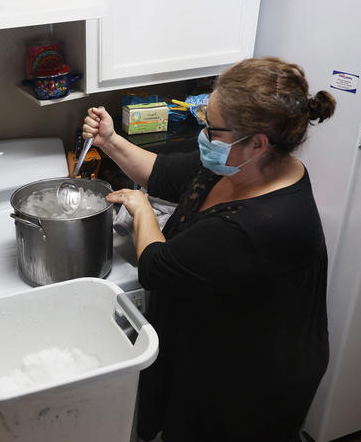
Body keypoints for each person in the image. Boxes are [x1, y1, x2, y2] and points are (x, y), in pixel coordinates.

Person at [82, 57, 335, 442]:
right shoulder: (244, 164)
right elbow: (163, 172)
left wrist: (141, 207)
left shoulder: (262, 222)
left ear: (258, 142)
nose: (203, 135)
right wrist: (111, 141)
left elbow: (157, 266)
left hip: (252, 380)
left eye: (211, 128)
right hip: (219, 344)